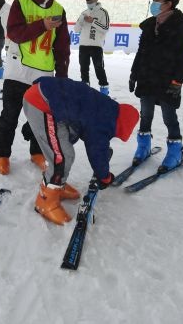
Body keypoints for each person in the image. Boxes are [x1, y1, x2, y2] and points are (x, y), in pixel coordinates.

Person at [22, 77, 139, 225]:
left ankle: (58, 186)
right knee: (62, 157)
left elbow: (76, 115)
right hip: (41, 103)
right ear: (121, 126)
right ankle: (45, 201)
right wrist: (104, 177)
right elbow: (97, 152)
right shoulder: (103, 123)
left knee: (64, 146)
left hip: (44, 95)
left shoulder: (106, 108)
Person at [0, 0, 71, 175]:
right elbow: (15, 34)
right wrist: (42, 25)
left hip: (43, 76)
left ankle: (37, 152)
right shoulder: (20, 3)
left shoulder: (59, 10)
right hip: (17, 72)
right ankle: (2, 155)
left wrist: (61, 77)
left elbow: (62, 47)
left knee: (42, 120)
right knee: (9, 116)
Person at [129, 0, 183, 172]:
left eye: (158, 1)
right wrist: (134, 73)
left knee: (168, 116)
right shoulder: (149, 25)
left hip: (167, 79)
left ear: (169, 4)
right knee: (145, 114)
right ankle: (144, 146)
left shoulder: (181, 26)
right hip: (147, 76)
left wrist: (177, 81)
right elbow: (141, 52)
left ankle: (175, 151)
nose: (154, 5)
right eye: (153, 1)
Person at [74, 0, 110, 94]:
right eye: (87, 1)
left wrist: (93, 22)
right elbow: (76, 30)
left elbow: (106, 28)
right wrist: (81, 20)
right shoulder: (84, 13)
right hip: (83, 46)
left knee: (99, 69)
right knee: (83, 69)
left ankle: (104, 91)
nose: (89, 3)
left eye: (91, 1)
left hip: (96, 46)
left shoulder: (103, 12)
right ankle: (85, 91)